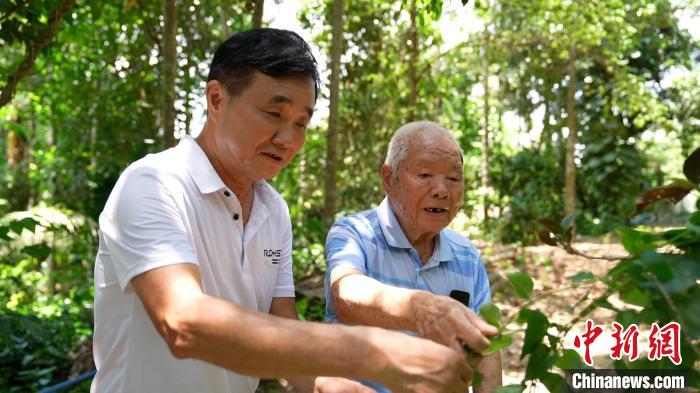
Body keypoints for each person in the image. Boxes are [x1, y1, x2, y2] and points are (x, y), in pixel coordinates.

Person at [91, 29, 475, 393]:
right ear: (216, 99)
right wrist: (373, 351)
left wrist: (325, 382)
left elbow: (279, 324)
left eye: (301, 123)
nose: (288, 139)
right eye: (274, 115)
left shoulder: (273, 211)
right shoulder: (154, 184)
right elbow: (183, 321)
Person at [324, 121, 503, 392]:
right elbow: (346, 294)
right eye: (425, 175)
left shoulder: (466, 256)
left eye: (454, 179)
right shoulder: (354, 233)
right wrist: (421, 309)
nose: (442, 190)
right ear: (388, 179)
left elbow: (485, 350)